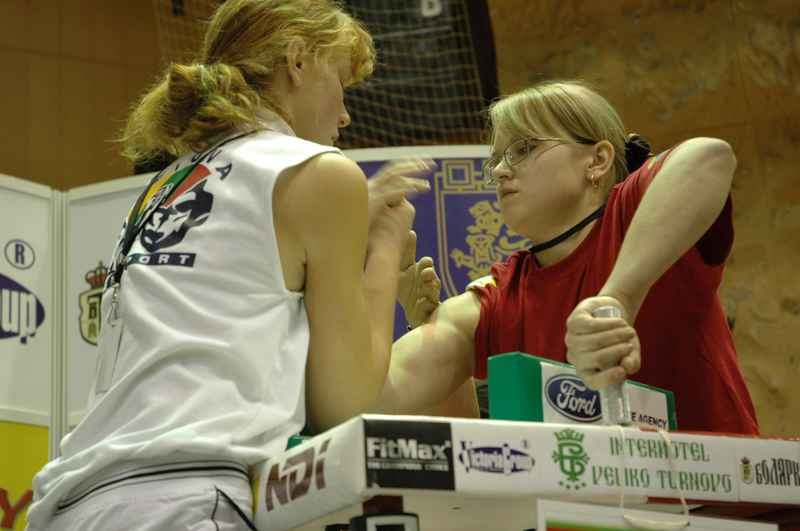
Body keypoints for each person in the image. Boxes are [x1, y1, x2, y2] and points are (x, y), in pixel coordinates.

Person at [26, 1, 438, 530]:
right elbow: (343, 406)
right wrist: (382, 251)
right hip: (185, 497)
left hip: (73, 501)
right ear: (297, 61)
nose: (344, 115)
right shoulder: (321, 173)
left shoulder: (163, 183)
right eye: (340, 81)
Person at [379, 80, 759, 436]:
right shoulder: (498, 295)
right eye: (494, 159)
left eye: (524, 148)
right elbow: (385, 395)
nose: (498, 170)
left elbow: (709, 157)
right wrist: (397, 297)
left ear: (597, 161)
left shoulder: (633, 211)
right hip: (583, 508)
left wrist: (618, 300)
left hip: (719, 503)